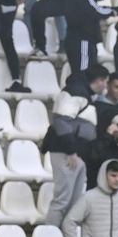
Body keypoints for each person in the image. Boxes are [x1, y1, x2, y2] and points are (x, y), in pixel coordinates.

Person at [40, 95, 96, 226]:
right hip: (67, 153)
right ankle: (50, 235)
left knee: (74, 202)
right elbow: (60, 124)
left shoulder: (84, 98)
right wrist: (71, 150)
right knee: (62, 200)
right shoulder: (74, 97)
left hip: (80, 153)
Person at [63, 0, 111, 80]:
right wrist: (115, 10)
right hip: (82, 39)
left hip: (76, 38)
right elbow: (95, 10)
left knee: (82, 74)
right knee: (84, 75)